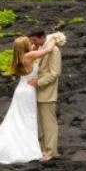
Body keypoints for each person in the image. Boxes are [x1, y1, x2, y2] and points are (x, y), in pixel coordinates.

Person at [0, 33, 59, 164]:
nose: (31, 42)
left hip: (21, 90)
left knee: (18, 118)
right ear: (25, 46)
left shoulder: (22, 56)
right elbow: (48, 50)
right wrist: (55, 38)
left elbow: (35, 49)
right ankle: (28, 150)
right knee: (27, 119)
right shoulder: (29, 56)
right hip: (28, 91)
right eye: (29, 41)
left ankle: (23, 147)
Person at [27, 30, 63, 161]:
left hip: (47, 92)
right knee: (41, 124)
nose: (33, 43)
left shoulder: (54, 51)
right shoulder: (42, 47)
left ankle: (51, 151)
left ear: (42, 37)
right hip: (37, 92)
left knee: (49, 123)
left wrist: (39, 83)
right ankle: (44, 149)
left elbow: (55, 73)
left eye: (34, 40)